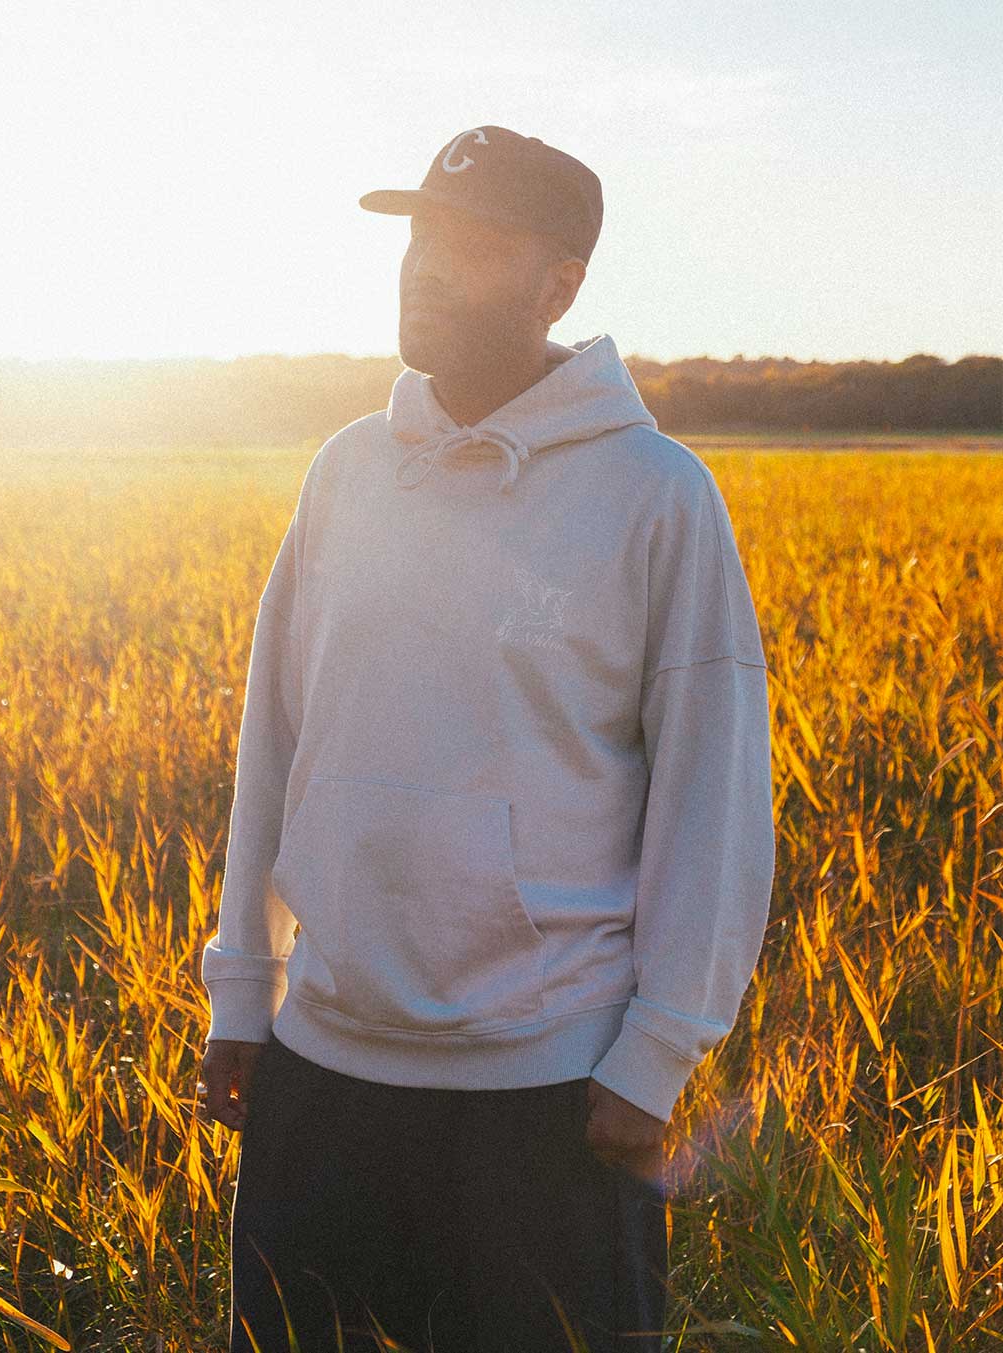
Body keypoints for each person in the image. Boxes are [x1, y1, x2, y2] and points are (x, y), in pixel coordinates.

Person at [197, 124, 776, 1353]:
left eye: (467, 244)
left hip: (549, 1097)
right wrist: (244, 989)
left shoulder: (655, 496)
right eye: (415, 239)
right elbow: (276, 745)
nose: (422, 266)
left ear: (559, 283)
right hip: (322, 1072)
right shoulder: (348, 473)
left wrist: (657, 1053)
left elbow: (715, 788)